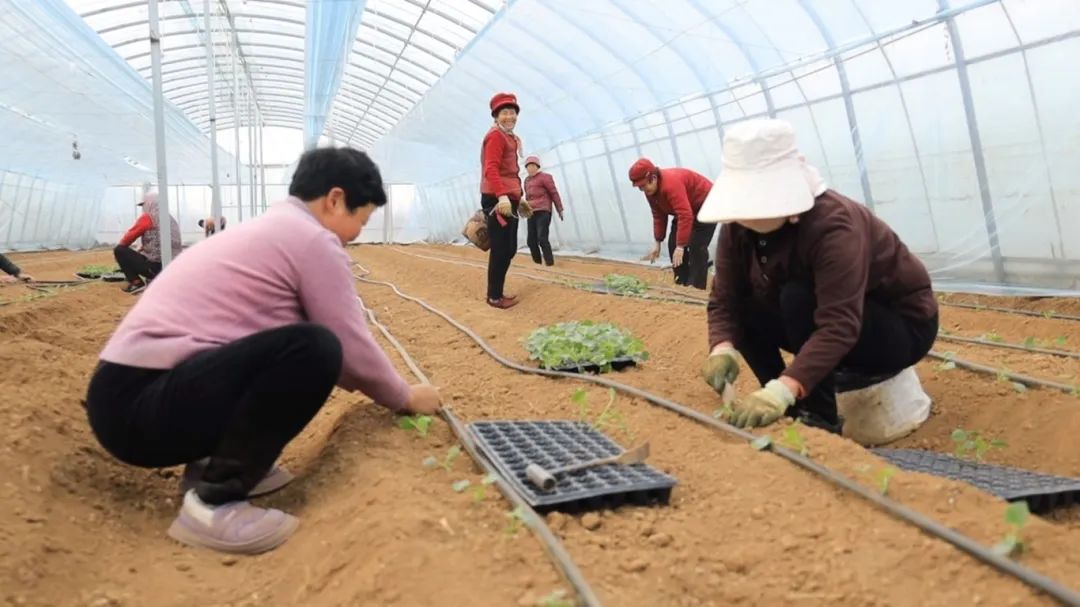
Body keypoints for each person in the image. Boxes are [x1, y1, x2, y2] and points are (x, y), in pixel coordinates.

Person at [84, 147, 442, 555]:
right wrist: (405, 396)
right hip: (140, 407)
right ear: (335, 199)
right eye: (360, 220)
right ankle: (213, 503)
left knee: (301, 344)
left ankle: (209, 464)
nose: (357, 234)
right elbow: (349, 348)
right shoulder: (311, 239)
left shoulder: (273, 229)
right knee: (317, 347)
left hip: (125, 399)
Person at [697, 119, 938, 442]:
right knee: (748, 309)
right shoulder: (737, 228)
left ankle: (818, 418)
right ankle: (788, 406)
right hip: (828, 321)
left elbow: (839, 324)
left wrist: (787, 387)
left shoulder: (832, 226)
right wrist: (722, 347)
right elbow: (725, 300)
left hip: (898, 326)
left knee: (798, 297)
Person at [628, 158, 716, 289]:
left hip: (707, 203)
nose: (644, 190)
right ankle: (681, 282)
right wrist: (657, 243)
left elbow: (685, 215)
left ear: (653, 177)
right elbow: (658, 215)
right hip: (687, 208)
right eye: (640, 188)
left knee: (696, 245)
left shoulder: (671, 184)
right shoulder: (650, 192)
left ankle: (696, 287)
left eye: (645, 185)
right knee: (673, 244)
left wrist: (681, 246)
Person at [481, 92, 532, 309]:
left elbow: (510, 172)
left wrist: (518, 199)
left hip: (508, 198)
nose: (509, 116)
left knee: (509, 248)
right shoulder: (495, 136)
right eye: (504, 112)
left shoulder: (509, 138)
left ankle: (497, 292)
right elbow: (491, 169)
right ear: (496, 116)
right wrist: (502, 196)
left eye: (512, 112)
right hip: (496, 198)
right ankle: (494, 296)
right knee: (501, 248)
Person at [114, 192, 183, 294]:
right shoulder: (169, 218)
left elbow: (127, 240)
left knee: (119, 250)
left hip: (156, 267)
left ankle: (136, 283)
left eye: (143, 205)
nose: (143, 208)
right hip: (174, 267)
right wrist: (144, 247)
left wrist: (126, 256)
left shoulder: (149, 217)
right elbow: (162, 239)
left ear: (150, 203)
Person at [523, 155, 564, 266]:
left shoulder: (545, 177)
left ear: (537, 166)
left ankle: (549, 263)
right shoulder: (526, 181)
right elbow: (527, 198)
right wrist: (524, 208)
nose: (530, 168)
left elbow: (553, 193)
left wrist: (559, 208)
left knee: (542, 238)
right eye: (528, 166)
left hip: (543, 211)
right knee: (531, 241)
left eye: (532, 165)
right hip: (531, 212)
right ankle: (537, 263)